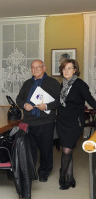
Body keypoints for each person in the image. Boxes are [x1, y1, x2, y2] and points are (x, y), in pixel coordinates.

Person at [16, 59, 60, 182]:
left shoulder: (52, 83)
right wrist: (24, 105)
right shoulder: (27, 83)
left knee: (46, 149)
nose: (35, 69)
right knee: (30, 150)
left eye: (38, 67)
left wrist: (46, 106)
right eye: (32, 67)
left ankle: (44, 173)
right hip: (29, 122)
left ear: (44, 68)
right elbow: (18, 99)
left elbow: (59, 101)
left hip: (46, 121)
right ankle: (29, 172)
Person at [57, 59, 96, 190]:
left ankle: (62, 174)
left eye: (69, 68)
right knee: (67, 149)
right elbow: (59, 103)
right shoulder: (62, 84)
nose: (66, 71)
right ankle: (70, 177)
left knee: (67, 150)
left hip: (74, 122)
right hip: (62, 121)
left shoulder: (80, 84)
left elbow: (90, 100)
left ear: (75, 70)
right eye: (64, 68)